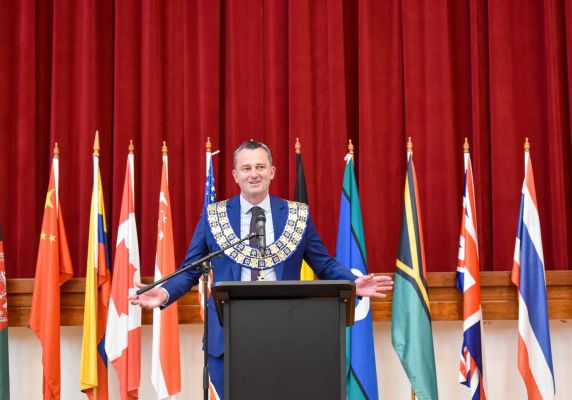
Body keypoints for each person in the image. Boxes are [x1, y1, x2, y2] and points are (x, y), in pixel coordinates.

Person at [129, 140, 393, 398]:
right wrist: (164, 294)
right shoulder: (214, 216)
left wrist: (353, 283)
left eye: (260, 167)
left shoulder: (296, 215)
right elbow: (190, 269)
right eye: (246, 168)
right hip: (226, 337)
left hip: (286, 334)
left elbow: (323, 263)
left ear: (272, 172)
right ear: (235, 175)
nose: (254, 174)